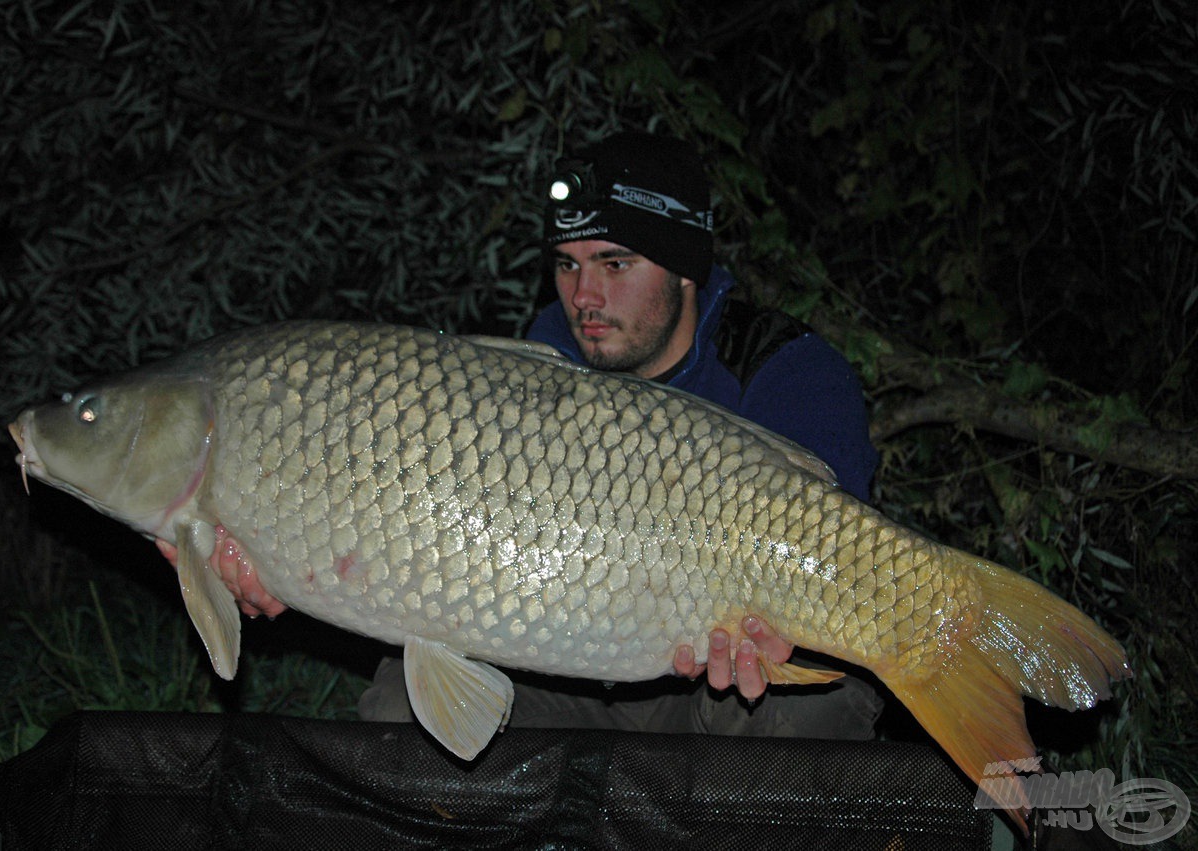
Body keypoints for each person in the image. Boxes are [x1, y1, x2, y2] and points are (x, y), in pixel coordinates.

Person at [158, 130, 882, 738]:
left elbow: (841, 570)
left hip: (714, 687)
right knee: (397, 713)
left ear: (685, 272)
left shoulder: (786, 372)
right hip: (563, 667)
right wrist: (286, 561)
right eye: (566, 265)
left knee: (816, 709)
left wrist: (771, 636)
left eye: (615, 264)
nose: (583, 297)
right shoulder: (526, 375)